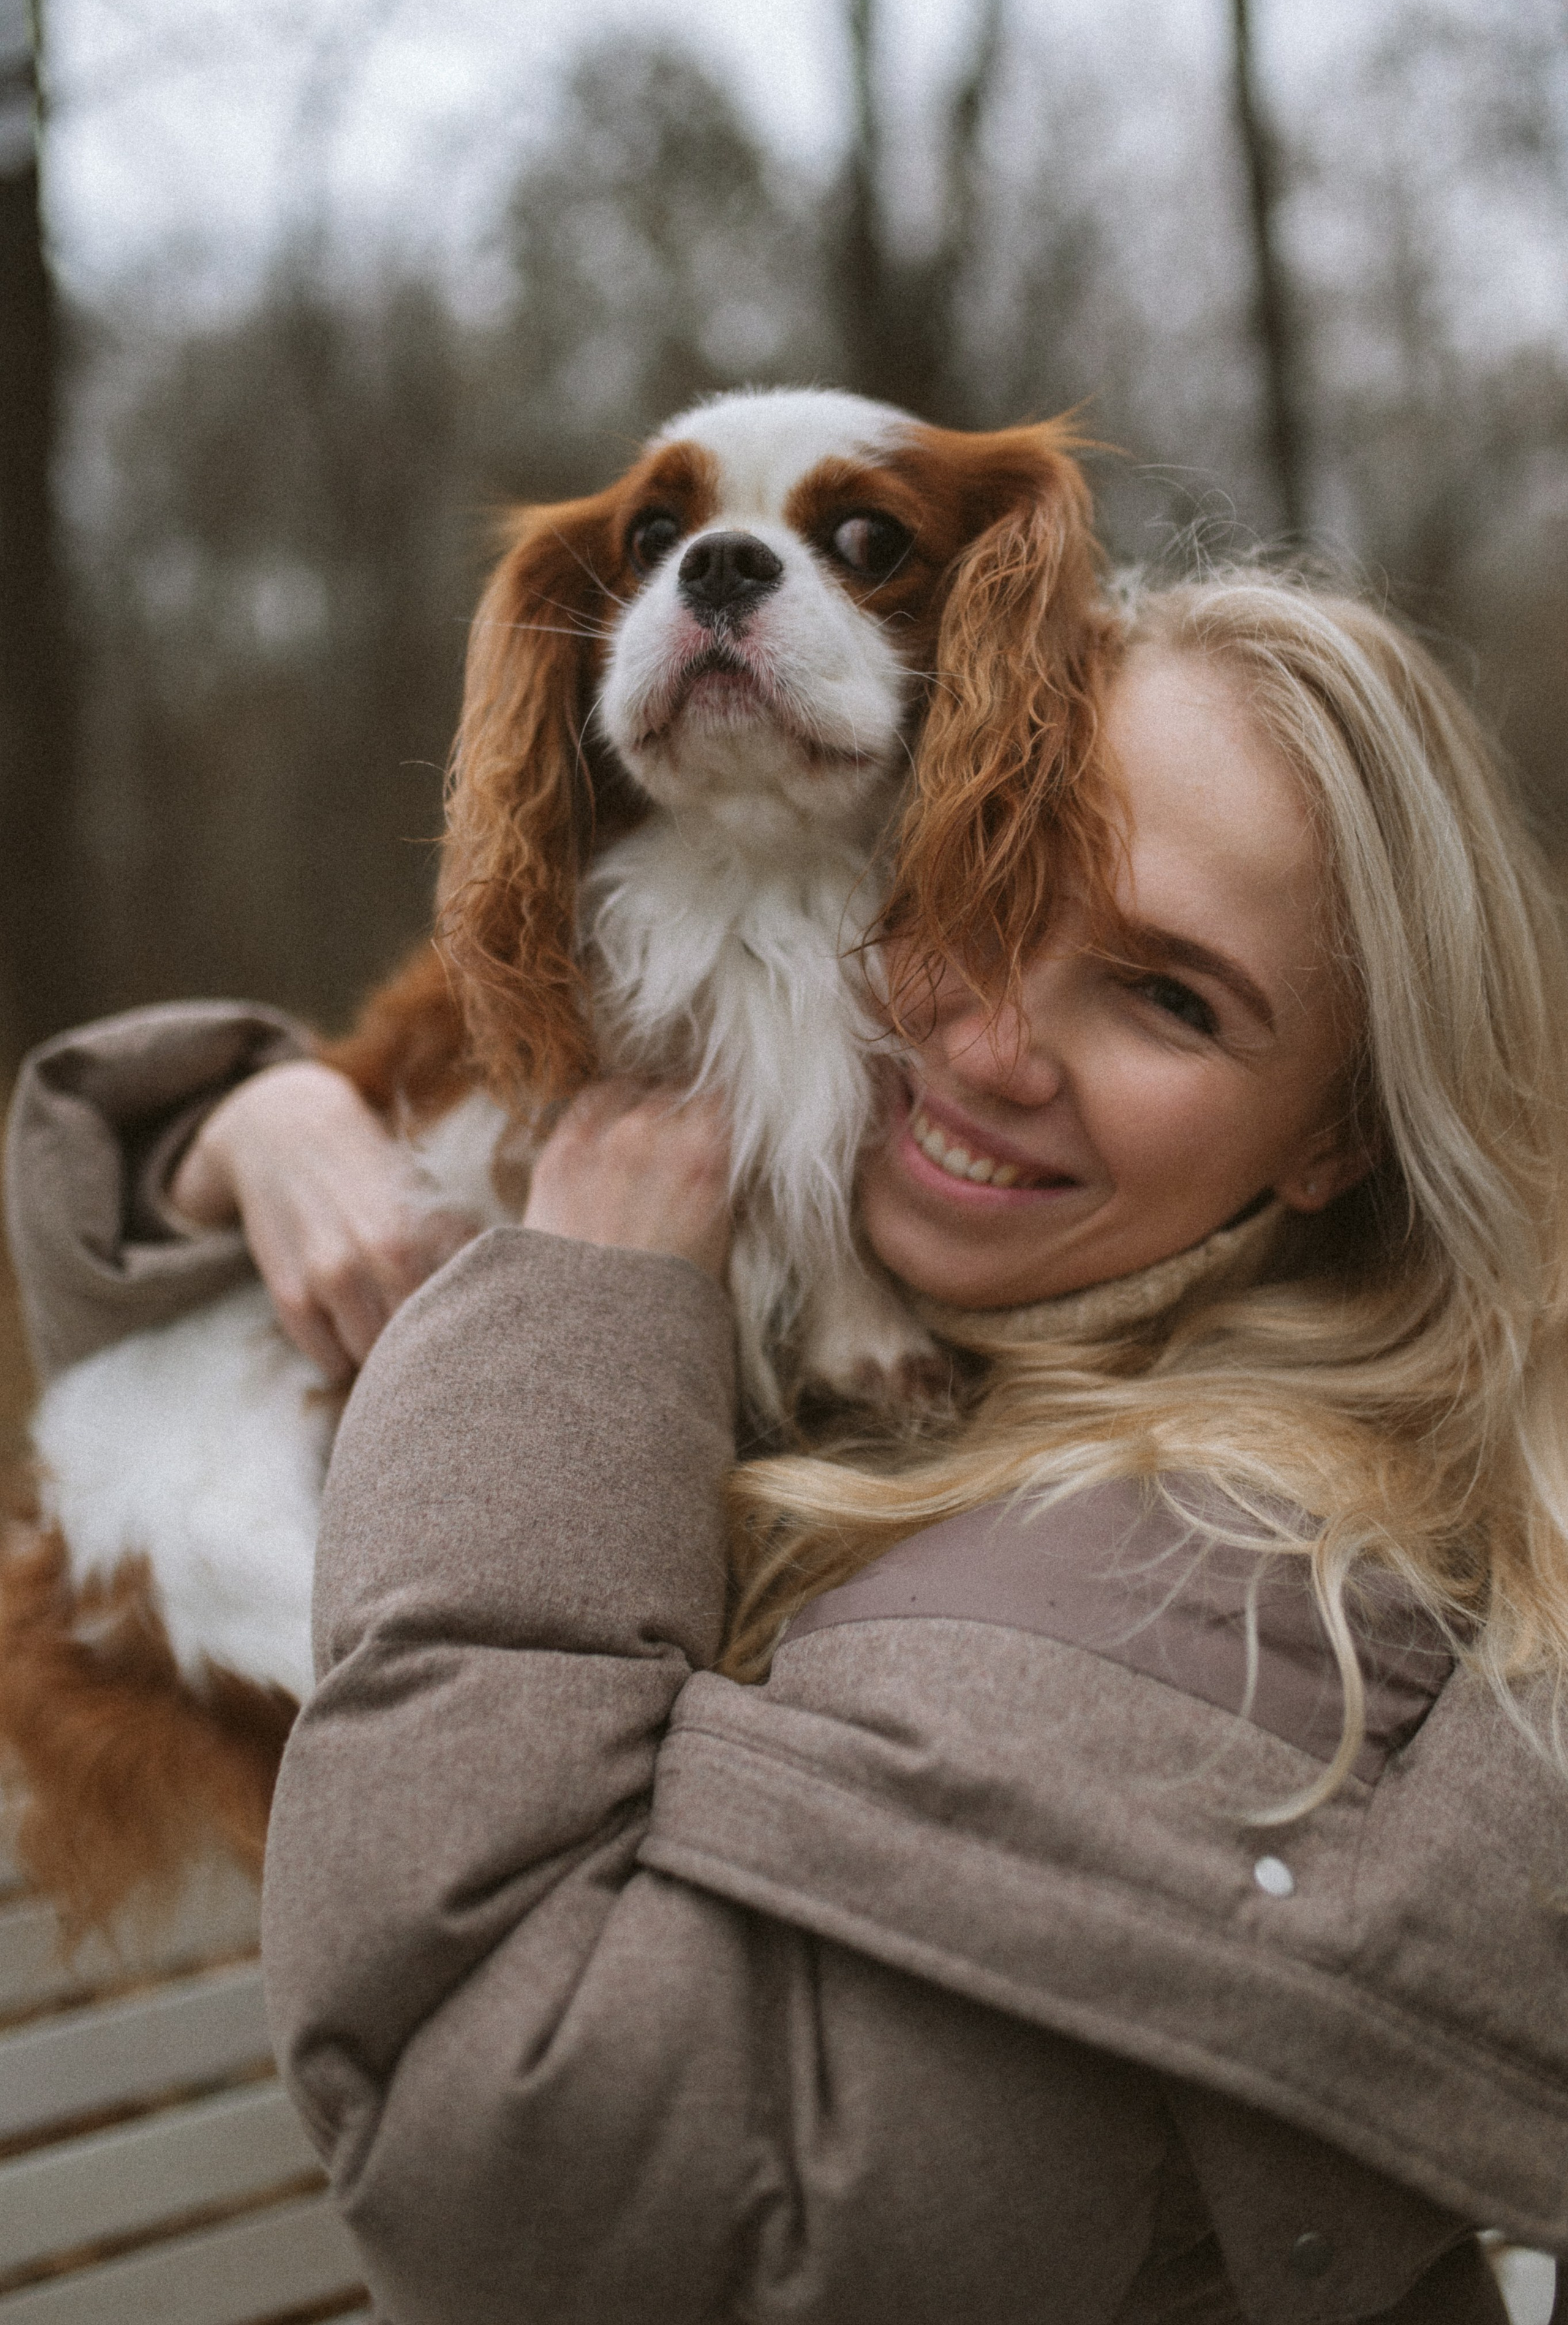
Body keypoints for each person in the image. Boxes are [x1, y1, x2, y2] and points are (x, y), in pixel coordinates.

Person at [6, 569, 1567, 2322]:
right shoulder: (945, 1344)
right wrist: (262, 1130)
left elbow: (494, 2153)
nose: (979, 1045)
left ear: (1337, 1141)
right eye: (983, 882)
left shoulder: (1204, 1585)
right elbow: (198, 1488)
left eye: (1172, 1001)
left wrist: (578, 1323)